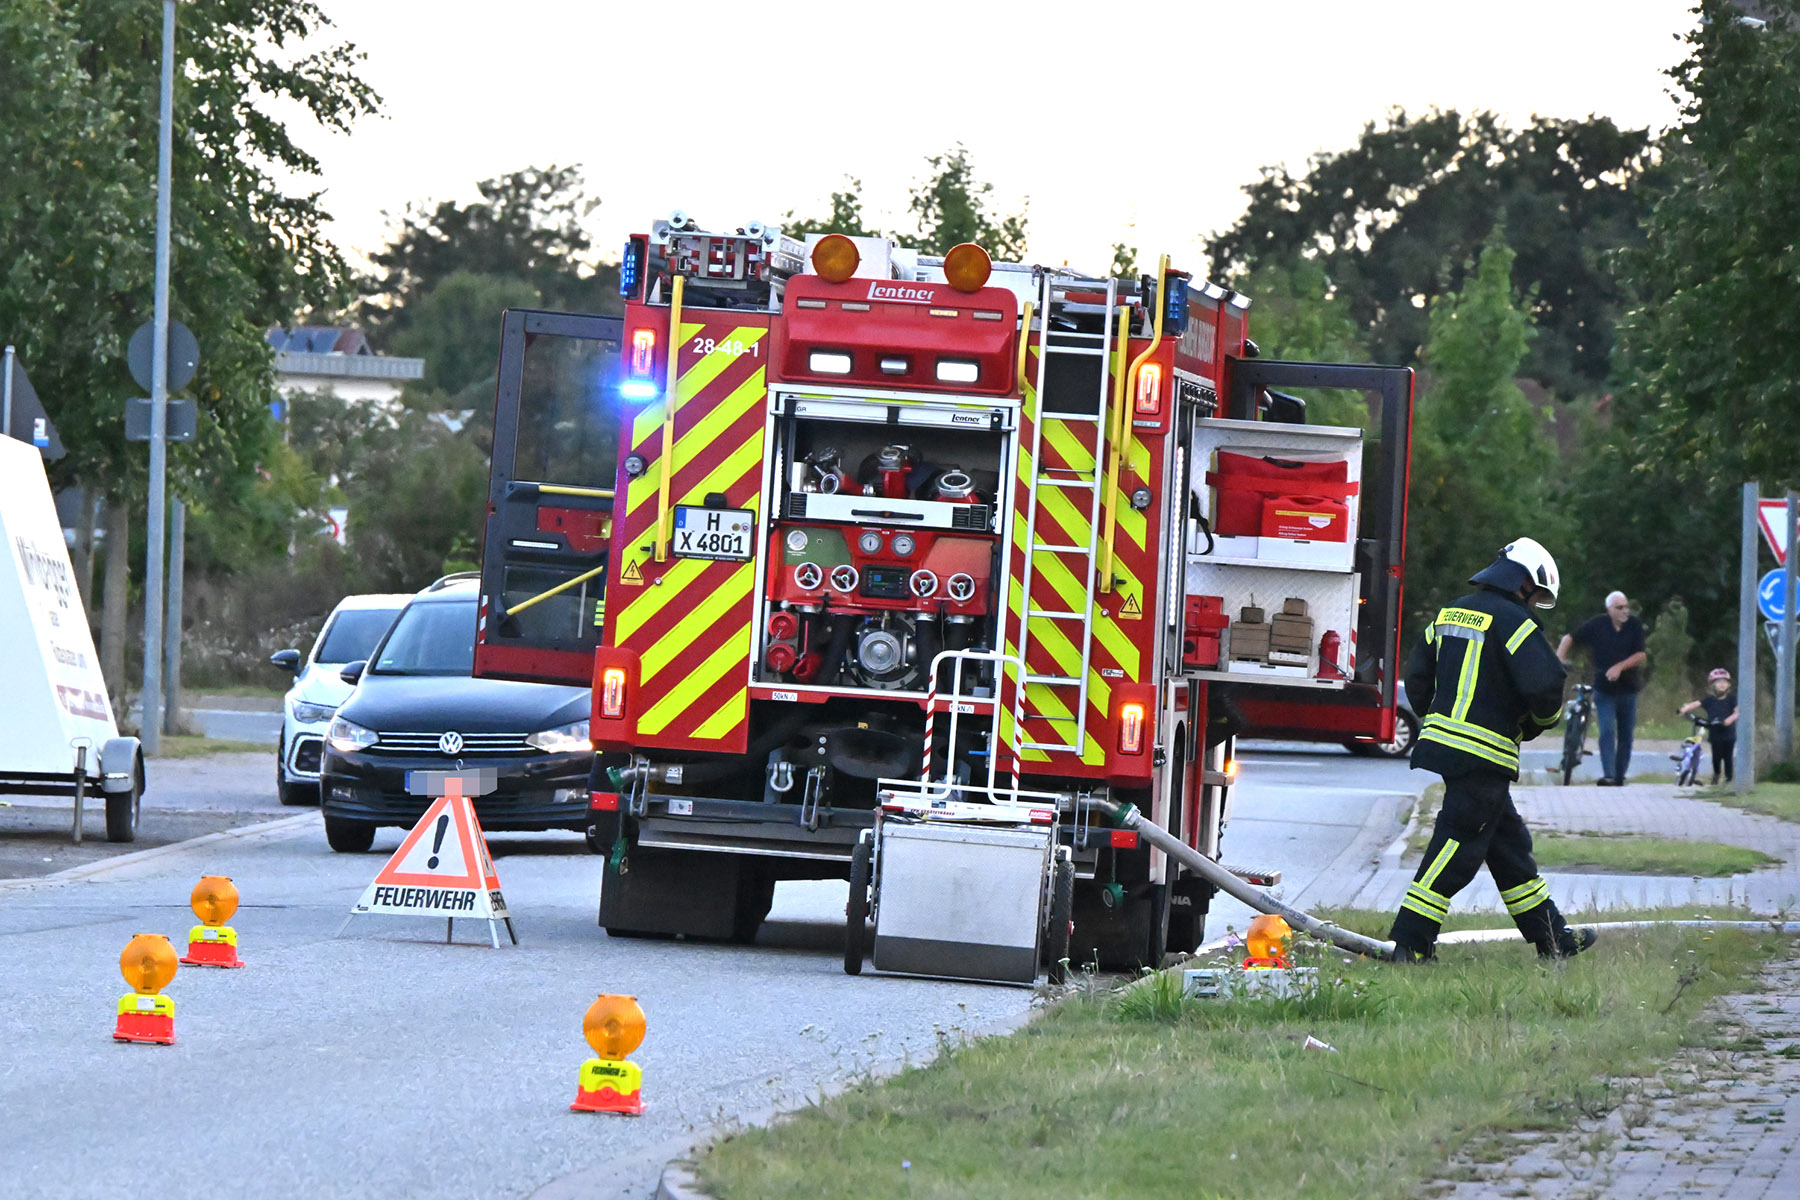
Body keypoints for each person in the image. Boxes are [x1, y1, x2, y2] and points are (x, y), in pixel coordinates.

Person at [1386, 537, 1597, 963]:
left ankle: (1552, 939)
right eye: (1536, 596)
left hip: (1448, 750)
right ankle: (1411, 944)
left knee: (1509, 848)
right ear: (1524, 584)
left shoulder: (1448, 613)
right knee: (1456, 849)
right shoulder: (1516, 623)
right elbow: (1546, 687)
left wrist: (1440, 721)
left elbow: (1418, 678)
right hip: (1484, 754)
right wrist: (1534, 725)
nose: (1534, 605)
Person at [1557, 591, 1647, 786]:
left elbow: (1641, 655)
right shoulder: (1598, 624)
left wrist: (1620, 667)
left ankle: (1620, 776)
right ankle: (1609, 775)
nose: (1624, 611)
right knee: (1606, 731)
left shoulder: (1634, 625)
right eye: (1619, 607)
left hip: (1629, 689)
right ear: (1609, 610)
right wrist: (1560, 659)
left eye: (1626, 607)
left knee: (1626, 735)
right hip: (1604, 690)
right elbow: (1569, 638)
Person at [1679, 668, 1739, 786]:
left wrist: (1728, 720)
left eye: (1724, 682)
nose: (1722, 684)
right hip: (1715, 733)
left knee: (1728, 757)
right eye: (1718, 682)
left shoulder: (1732, 699)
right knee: (1716, 757)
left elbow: (1737, 712)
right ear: (1713, 685)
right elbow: (1696, 704)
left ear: (1729, 685)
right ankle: (1716, 775)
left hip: (1728, 734)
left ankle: (1729, 779)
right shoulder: (1709, 700)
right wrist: (1685, 709)